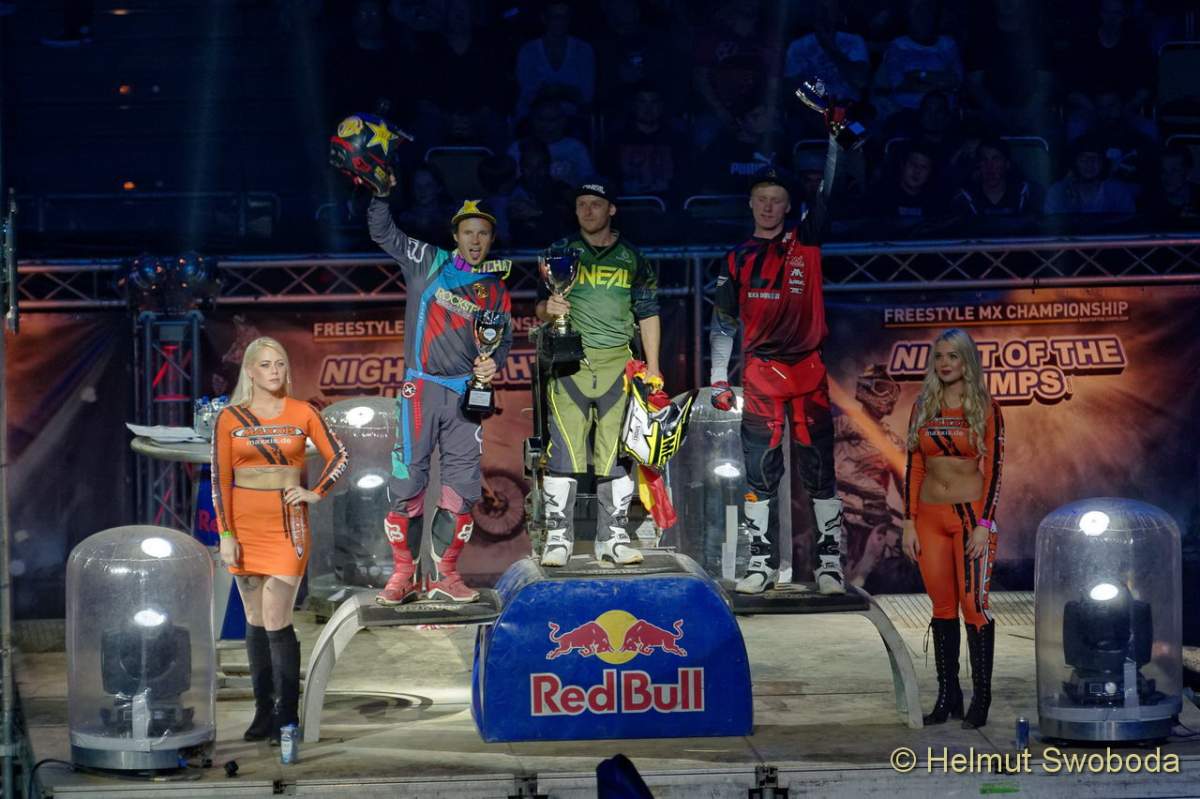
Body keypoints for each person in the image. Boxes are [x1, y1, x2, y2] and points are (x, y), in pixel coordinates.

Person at [709, 130, 849, 596]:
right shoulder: (735, 258)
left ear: (789, 206)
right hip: (760, 376)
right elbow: (723, 322)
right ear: (751, 205)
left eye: (776, 200)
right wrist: (718, 378)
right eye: (761, 199)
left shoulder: (805, 242)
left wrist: (835, 143)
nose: (768, 207)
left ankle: (829, 565)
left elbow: (829, 195)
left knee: (819, 470)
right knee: (760, 473)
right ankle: (761, 564)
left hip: (808, 372)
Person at [369, 184, 513, 605]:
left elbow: (502, 341)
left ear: (491, 238)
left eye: (483, 233)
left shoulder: (496, 288)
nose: (475, 240)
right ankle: (403, 576)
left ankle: (445, 577)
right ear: (455, 235)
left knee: (462, 490)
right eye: (468, 232)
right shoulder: (427, 261)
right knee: (408, 483)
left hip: (467, 395)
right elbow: (382, 232)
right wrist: (380, 194)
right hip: (421, 389)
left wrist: (493, 363)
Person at [212, 337, 349, 741]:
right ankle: (263, 713)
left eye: (280, 364)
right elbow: (220, 481)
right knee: (255, 619)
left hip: (288, 525)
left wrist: (315, 492)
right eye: (266, 365)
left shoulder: (303, 411)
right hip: (244, 526)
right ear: (250, 371)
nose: (275, 371)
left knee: (277, 618)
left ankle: (286, 714)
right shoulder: (230, 417)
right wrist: (226, 534)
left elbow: (339, 456)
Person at [537, 180, 661, 567]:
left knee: (616, 455)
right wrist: (548, 309)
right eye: (581, 205)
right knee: (564, 453)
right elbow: (539, 308)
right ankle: (558, 538)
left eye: (595, 204)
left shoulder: (633, 257)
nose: (587, 211)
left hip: (617, 367)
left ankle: (613, 538)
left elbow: (648, 312)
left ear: (612, 210)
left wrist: (654, 367)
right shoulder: (560, 250)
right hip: (569, 365)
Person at [901, 328, 1004, 729]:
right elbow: (914, 466)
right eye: (939, 356)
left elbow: (995, 469)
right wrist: (909, 521)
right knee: (942, 607)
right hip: (929, 518)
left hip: (969, 518)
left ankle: (982, 697)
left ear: (967, 361)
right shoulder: (923, 405)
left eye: (953, 356)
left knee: (973, 606)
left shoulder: (986, 407)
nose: (945, 363)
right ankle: (949, 695)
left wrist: (984, 524)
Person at [1044, 136, 1136, 216]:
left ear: (1103, 163)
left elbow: (1130, 225)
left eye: (1095, 158)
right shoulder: (1057, 192)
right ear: (1074, 162)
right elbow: (1051, 226)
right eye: (1083, 158)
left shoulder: (1119, 192)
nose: (1089, 163)